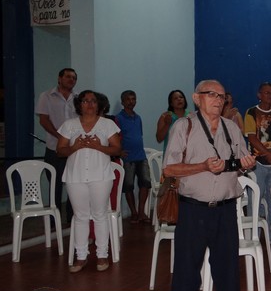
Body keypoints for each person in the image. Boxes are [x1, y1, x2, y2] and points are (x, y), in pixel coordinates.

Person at [164, 80, 256, 291]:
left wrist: (246, 164)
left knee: (227, 267)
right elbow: (169, 169)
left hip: (226, 209)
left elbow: (239, 163)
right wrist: (202, 166)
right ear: (197, 98)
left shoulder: (231, 128)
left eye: (222, 96)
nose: (218, 100)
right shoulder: (184, 126)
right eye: (211, 95)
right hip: (193, 209)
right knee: (187, 269)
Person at [56, 90, 121, 272]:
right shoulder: (69, 125)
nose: (90, 104)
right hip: (75, 176)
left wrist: (98, 146)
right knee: (80, 216)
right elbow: (60, 151)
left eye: (93, 101)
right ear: (79, 104)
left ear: (99, 105)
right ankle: (81, 256)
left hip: (100, 176)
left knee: (100, 215)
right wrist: (74, 147)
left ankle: (102, 255)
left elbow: (117, 149)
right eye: (85, 101)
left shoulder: (107, 124)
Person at [35, 67, 78, 222]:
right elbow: (44, 120)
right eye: (68, 77)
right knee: (55, 185)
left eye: (74, 78)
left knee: (74, 184)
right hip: (54, 148)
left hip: (74, 149)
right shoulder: (46, 96)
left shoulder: (78, 98)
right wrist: (60, 137)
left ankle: (72, 219)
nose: (71, 80)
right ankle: (55, 221)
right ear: (59, 78)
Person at [244, 82, 271, 243]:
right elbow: (252, 137)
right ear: (259, 95)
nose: (269, 95)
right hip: (257, 163)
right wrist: (268, 154)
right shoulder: (251, 112)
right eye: (266, 92)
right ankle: (254, 236)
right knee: (255, 200)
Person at [115, 90, 152, 224]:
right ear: (122, 102)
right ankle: (134, 213)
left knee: (145, 183)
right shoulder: (118, 118)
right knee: (128, 186)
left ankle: (141, 211)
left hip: (141, 156)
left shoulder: (138, 118)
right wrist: (119, 152)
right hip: (128, 158)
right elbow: (115, 137)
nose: (131, 102)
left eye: (133, 99)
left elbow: (138, 135)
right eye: (128, 99)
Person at [156, 89, 190, 154]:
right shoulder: (165, 116)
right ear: (171, 103)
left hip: (189, 154)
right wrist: (167, 124)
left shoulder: (191, 116)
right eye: (175, 98)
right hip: (171, 155)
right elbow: (159, 139)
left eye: (181, 97)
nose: (179, 99)